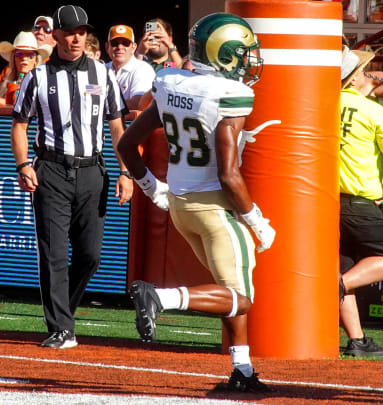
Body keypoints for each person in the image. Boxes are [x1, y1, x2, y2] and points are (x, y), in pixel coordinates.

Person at [117, 13, 274, 392]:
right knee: (241, 299)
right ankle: (161, 297)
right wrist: (256, 220)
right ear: (224, 54)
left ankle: (243, 371)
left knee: (229, 292)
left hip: (181, 206)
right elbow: (229, 175)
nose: (251, 59)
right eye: (244, 52)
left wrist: (154, 189)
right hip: (215, 207)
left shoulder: (170, 81)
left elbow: (126, 145)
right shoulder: (230, 94)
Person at [10, 4, 133, 349]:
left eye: (82, 32)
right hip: (51, 168)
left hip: (93, 169)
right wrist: (23, 165)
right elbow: (19, 125)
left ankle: (65, 310)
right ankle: (61, 327)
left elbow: (117, 126)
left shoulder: (103, 74)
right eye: (70, 32)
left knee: (91, 254)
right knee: (53, 254)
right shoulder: (37, 77)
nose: (76, 37)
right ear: (57, 35)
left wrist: (127, 172)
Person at [338, 45, 383, 356]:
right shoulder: (375, 111)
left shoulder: (319, 103)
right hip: (360, 203)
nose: (373, 75)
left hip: (324, 204)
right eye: (365, 71)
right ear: (352, 80)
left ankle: (357, 340)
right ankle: (332, 290)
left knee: (345, 270)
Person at [105, 24, 156, 110]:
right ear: (107, 47)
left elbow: (137, 103)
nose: (120, 47)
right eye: (115, 43)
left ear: (133, 47)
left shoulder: (143, 69)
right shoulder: (100, 69)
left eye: (125, 43)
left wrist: (101, 104)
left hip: (131, 123)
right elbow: (88, 96)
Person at [0, 31, 52, 106]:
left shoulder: (44, 84)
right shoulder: (10, 86)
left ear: (35, 60)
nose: (24, 58)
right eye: (19, 54)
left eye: (30, 55)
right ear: (13, 58)